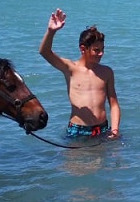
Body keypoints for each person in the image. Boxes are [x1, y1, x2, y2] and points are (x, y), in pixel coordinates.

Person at [39, 9, 120, 139]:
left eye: (103, 49)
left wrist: (115, 130)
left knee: (103, 159)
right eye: (96, 50)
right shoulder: (70, 68)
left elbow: (114, 103)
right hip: (78, 131)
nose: (101, 54)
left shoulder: (106, 72)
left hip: (102, 129)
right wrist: (51, 31)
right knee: (75, 160)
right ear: (83, 49)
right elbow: (44, 52)